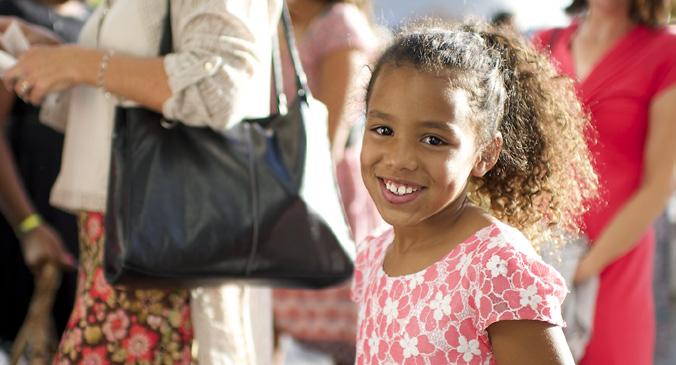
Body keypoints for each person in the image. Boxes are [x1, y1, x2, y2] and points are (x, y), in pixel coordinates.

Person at [2, 0, 282, 363]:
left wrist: (79, 63)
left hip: (163, 257)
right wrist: (57, 58)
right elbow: (126, 96)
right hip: (116, 256)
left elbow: (222, 90)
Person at [351, 20, 599, 364]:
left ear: (485, 154)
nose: (400, 159)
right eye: (383, 129)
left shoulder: (497, 266)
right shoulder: (373, 256)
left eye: (433, 140)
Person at [533, 1, 676, 363]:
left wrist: (584, 267)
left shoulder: (665, 51)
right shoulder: (544, 44)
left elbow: (660, 184)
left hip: (616, 259)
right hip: (544, 254)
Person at [271, 1, 382, 364]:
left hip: (322, 189)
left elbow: (331, 133)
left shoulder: (340, 24)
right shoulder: (281, 20)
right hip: (284, 185)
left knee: (349, 338)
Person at [0, 0, 85, 352]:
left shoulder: (92, 23)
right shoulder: (14, 15)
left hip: (80, 232)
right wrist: (29, 225)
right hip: (29, 221)